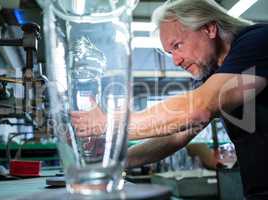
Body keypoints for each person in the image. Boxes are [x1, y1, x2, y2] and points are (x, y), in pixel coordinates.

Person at [71, 0, 268, 198]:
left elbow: (196, 110)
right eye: (170, 52)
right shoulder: (213, 75)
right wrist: (115, 160)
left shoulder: (258, 41)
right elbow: (174, 137)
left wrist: (108, 123)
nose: (176, 60)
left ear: (209, 28)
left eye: (178, 45)